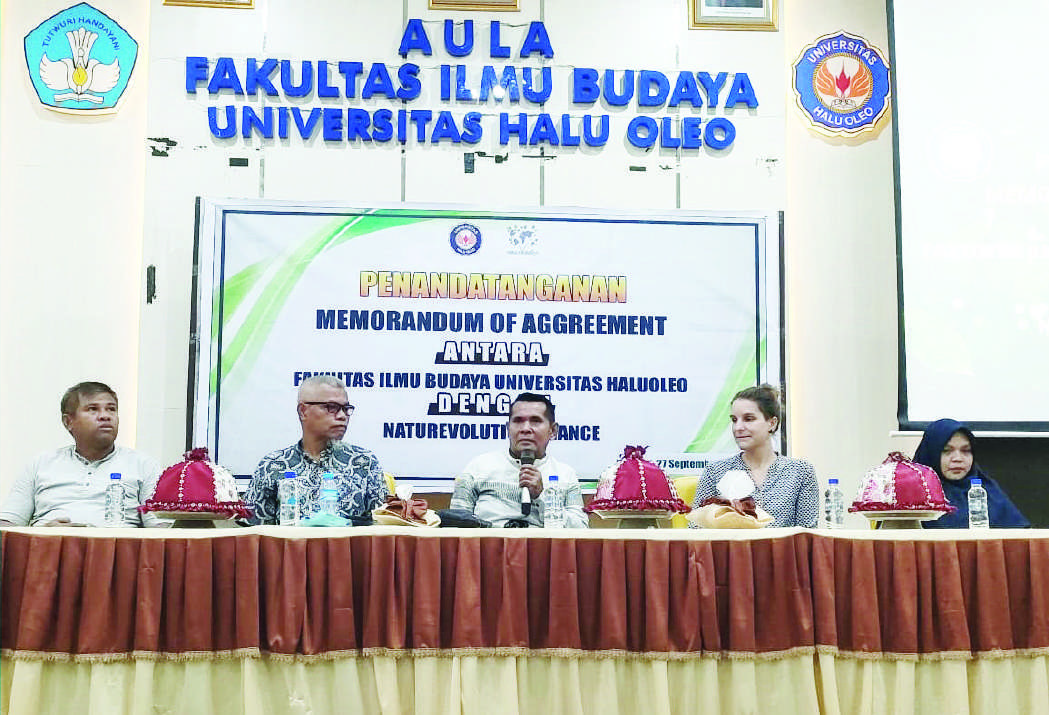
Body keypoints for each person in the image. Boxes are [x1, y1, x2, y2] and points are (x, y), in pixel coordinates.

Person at [0, 381, 165, 527]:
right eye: (93, 409)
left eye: (111, 409)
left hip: (119, 555)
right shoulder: (41, 464)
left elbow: (161, 529)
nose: (105, 416)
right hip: (48, 553)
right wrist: (44, 535)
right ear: (68, 422)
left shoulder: (144, 465)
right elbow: (8, 524)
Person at [245, 375, 387, 523]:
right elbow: (255, 535)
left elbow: (383, 528)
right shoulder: (273, 466)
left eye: (346, 409)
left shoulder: (363, 462)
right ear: (303, 411)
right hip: (289, 546)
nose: (342, 416)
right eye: (331, 408)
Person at [451, 392, 588, 528]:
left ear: (553, 430)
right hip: (490, 547)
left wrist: (542, 497)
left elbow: (580, 529)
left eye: (535, 421)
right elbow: (455, 523)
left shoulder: (565, 475)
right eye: (518, 421)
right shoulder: (477, 467)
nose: (525, 429)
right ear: (508, 428)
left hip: (543, 548)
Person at [691, 384, 819, 527]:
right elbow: (696, 529)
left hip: (783, 549)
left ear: (772, 423)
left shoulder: (800, 472)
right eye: (734, 420)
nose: (738, 428)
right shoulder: (715, 472)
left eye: (749, 419)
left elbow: (808, 535)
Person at [915, 418, 1028, 529]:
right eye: (946, 450)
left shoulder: (989, 492)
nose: (958, 459)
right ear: (931, 453)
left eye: (966, 451)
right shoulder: (912, 497)